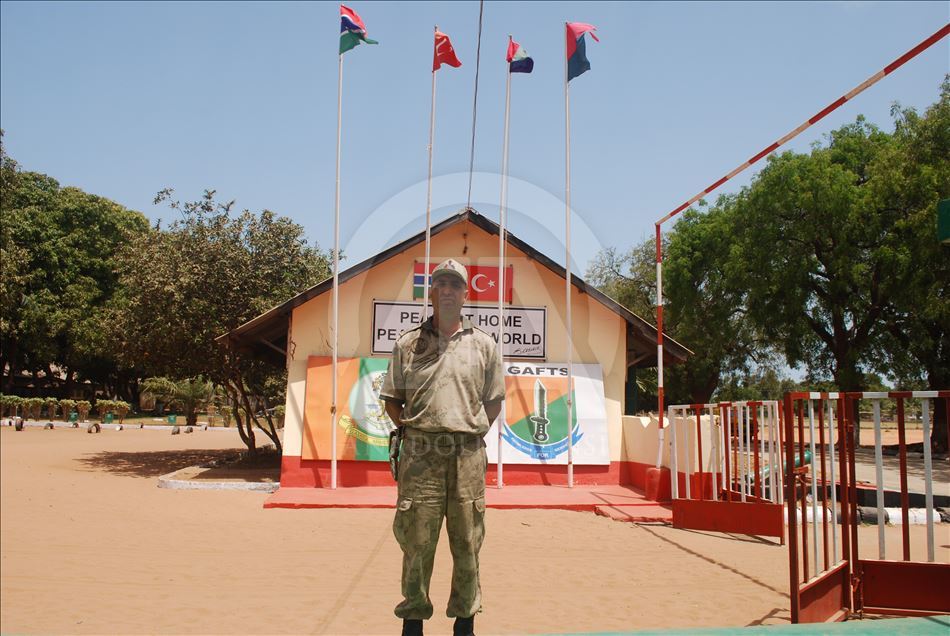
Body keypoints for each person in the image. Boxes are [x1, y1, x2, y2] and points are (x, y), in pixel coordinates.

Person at [380, 258, 505, 636]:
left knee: (467, 541)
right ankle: (413, 622)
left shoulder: (484, 345)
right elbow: (392, 399)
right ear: (431, 293)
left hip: (467, 457)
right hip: (420, 459)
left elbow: (494, 401)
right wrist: (418, 433)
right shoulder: (408, 344)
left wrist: (467, 432)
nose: (448, 290)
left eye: (455, 284)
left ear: (466, 294)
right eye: (441, 284)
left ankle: (465, 622)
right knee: (417, 542)